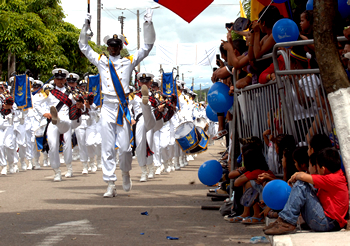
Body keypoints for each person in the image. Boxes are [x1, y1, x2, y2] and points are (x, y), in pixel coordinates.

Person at [78, 9, 156, 197]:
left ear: (121, 47)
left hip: (123, 108)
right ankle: (110, 183)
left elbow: (147, 47)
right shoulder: (101, 61)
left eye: (117, 45)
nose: (114, 48)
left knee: (125, 148)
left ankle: (125, 172)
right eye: (111, 46)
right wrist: (85, 26)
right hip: (107, 108)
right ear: (107, 47)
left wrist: (147, 24)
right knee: (107, 147)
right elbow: (83, 46)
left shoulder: (129, 61)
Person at [264, 148, 349, 235]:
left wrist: (296, 175)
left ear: (323, 169)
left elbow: (303, 177)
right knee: (307, 186)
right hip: (330, 223)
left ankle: (286, 221)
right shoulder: (338, 176)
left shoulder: (332, 179)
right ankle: (284, 219)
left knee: (302, 185)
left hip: (326, 223)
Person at [39, 68, 85, 181]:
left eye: (62, 79)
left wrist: (81, 107)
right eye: (57, 79)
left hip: (66, 120)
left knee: (67, 145)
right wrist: (43, 113)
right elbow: (36, 103)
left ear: (65, 80)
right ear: (54, 80)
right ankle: (57, 171)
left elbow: (79, 106)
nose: (59, 81)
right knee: (53, 145)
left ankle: (69, 168)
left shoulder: (72, 93)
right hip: (52, 122)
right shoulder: (48, 92)